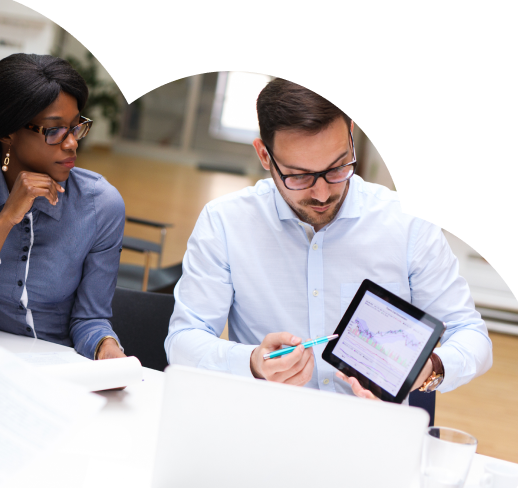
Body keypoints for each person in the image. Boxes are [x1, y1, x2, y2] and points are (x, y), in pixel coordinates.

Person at [164, 78, 492, 399]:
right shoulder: (225, 222)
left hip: (374, 430)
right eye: (299, 176)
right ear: (265, 156)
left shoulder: (409, 224)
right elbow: (183, 340)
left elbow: (470, 334)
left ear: (351, 135)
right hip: (267, 424)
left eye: (337, 168)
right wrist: (251, 362)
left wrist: (430, 367)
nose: (322, 193)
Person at [0, 53, 127, 360]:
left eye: (75, 127)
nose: (71, 143)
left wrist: (107, 349)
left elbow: (90, 320)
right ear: (7, 132)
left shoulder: (100, 205)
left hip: (54, 370)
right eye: (54, 130)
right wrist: (4, 222)